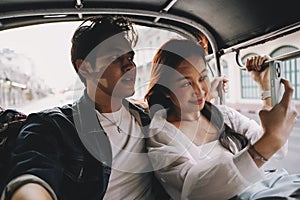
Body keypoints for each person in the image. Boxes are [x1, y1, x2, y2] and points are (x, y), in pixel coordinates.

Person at [1, 15, 168, 200]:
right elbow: (34, 173)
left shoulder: (147, 118)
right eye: (115, 57)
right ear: (85, 68)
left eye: (130, 57)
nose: (129, 65)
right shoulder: (54, 127)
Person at [144, 39, 298, 199]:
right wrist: (265, 145)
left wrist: (266, 89)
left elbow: (277, 150)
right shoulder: (161, 135)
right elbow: (195, 190)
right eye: (186, 84)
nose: (199, 90)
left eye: (202, 77)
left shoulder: (224, 115)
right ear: (166, 90)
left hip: (263, 188)